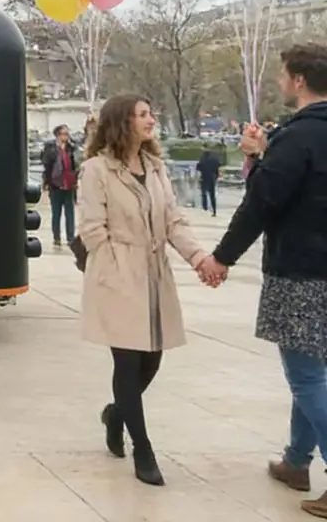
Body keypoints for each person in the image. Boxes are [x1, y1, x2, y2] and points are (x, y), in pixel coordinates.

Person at [200, 44, 327, 519]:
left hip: (300, 272)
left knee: (307, 375)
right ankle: (297, 461)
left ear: (297, 81)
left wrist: (222, 257)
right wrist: (263, 155)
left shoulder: (298, 139)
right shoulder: (298, 140)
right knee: (315, 369)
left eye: (281, 73)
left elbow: (264, 203)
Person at [76, 94, 217, 488]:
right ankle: (143, 447)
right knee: (127, 362)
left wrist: (199, 258)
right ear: (123, 122)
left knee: (152, 360)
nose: (151, 120)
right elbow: (92, 229)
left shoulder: (155, 168)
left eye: (150, 113)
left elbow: (173, 220)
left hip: (155, 276)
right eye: (142, 114)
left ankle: (116, 415)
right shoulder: (96, 170)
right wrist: (115, 268)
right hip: (118, 277)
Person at [41, 124, 80, 248]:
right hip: (56, 185)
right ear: (57, 135)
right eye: (64, 134)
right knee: (56, 213)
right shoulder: (50, 148)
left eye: (67, 134)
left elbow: (75, 165)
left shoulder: (71, 148)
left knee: (70, 213)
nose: (66, 136)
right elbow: (47, 166)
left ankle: (70, 237)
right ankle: (56, 237)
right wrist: (46, 183)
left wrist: (76, 181)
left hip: (69, 185)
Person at [195, 145, 222, 216]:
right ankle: (214, 210)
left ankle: (205, 209)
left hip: (204, 177)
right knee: (212, 195)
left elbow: (198, 168)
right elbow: (218, 168)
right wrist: (216, 176)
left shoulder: (202, 159)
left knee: (204, 194)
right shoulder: (215, 159)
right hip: (212, 178)